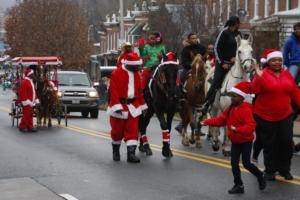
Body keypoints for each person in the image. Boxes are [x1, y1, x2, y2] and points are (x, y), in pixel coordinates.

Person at [202, 81, 266, 194]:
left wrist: (238, 129)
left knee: (246, 164)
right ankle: (238, 185)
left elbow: (251, 126)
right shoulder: (231, 108)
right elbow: (221, 119)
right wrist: (207, 121)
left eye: (234, 96)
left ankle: (260, 175)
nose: (232, 98)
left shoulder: (246, 109)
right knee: (234, 163)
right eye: (231, 96)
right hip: (235, 141)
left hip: (246, 141)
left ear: (242, 97)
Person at [252, 49, 300, 180]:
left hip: (285, 115)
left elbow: (295, 92)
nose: (277, 62)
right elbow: (255, 90)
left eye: (279, 60)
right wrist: (259, 77)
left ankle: (285, 169)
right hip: (265, 116)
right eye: (274, 60)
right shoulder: (262, 74)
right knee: (269, 145)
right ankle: (270, 170)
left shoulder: (287, 74)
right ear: (268, 62)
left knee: (286, 142)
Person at [107, 53, 148, 163]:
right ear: (130, 65)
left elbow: (139, 92)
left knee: (133, 131)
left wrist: (143, 105)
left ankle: (131, 154)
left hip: (133, 106)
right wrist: (116, 106)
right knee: (117, 132)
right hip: (120, 106)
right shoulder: (117, 73)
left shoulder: (137, 74)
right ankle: (116, 151)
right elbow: (113, 92)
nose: (139, 68)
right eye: (137, 66)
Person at [201, 16, 241, 114]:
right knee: (217, 81)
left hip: (235, 63)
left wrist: (235, 57)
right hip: (222, 63)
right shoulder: (224, 32)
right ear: (233, 23)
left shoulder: (238, 34)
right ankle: (207, 103)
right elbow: (216, 48)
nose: (238, 25)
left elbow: (241, 48)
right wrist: (222, 62)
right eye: (237, 23)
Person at [18, 68, 39, 132]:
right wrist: (27, 102)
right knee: (26, 115)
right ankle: (22, 126)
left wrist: (36, 100)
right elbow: (23, 93)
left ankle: (30, 126)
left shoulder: (30, 81)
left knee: (30, 115)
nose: (33, 75)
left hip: (31, 102)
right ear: (29, 75)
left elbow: (33, 92)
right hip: (27, 102)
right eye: (32, 74)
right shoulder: (25, 82)